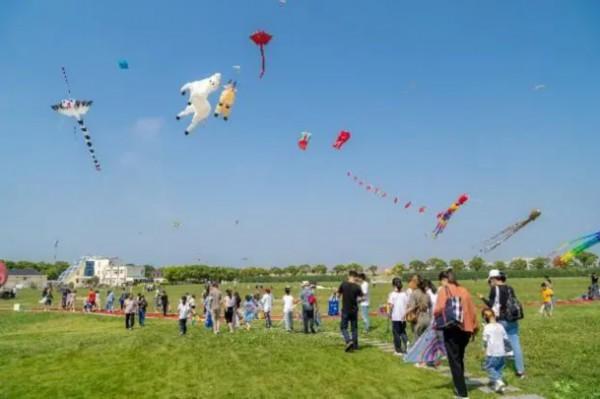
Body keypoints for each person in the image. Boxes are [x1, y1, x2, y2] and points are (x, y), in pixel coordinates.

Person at [434, 270, 478, 399]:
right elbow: (472, 310)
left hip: (451, 328)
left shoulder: (444, 290)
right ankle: (460, 383)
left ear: (445, 279)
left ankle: (462, 392)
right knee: (459, 357)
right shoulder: (464, 290)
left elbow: (439, 308)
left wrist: (435, 316)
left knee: (454, 361)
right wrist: (475, 328)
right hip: (465, 329)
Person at [478, 269, 526, 378]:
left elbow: (491, 305)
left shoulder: (495, 289)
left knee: (494, 344)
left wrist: (482, 298)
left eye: (490, 280)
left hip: (501, 320)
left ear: (494, 279)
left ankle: (493, 367)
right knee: (516, 345)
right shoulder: (510, 288)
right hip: (512, 320)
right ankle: (520, 371)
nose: (490, 282)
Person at [482, 308, 509, 393]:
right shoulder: (501, 326)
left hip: (492, 353)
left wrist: (484, 350)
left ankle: (498, 381)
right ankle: (499, 386)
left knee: (489, 367)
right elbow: (506, 339)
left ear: (484, 317)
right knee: (498, 369)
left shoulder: (487, 327)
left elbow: (485, 341)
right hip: (502, 352)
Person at [338, 270, 363, 352]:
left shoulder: (343, 284)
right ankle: (355, 346)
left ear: (349, 276)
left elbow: (338, 295)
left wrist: (337, 293)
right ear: (355, 277)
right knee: (354, 328)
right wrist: (358, 300)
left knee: (343, 327)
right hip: (354, 310)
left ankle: (348, 341)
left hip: (345, 309)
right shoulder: (357, 287)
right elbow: (360, 298)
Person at [387, 277, 409, 355]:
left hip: (396, 317)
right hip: (403, 316)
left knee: (396, 333)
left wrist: (389, 313)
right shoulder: (405, 294)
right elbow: (407, 304)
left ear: (393, 285)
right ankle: (407, 343)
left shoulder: (392, 294)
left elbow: (390, 305)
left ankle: (398, 350)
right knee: (403, 331)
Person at [407, 274, 431, 339]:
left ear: (415, 283)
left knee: (417, 342)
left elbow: (412, 307)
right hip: (427, 319)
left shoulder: (414, 293)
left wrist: (405, 314)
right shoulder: (426, 293)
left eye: (411, 282)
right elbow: (430, 306)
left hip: (418, 319)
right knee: (425, 341)